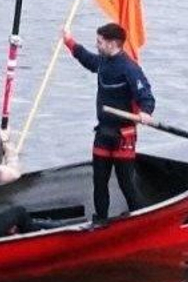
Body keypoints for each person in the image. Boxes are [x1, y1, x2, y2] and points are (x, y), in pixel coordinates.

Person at [64, 23, 157, 225]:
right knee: (99, 182)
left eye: (99, 42)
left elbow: (146, 97)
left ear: (112, 43)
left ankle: (141, 222)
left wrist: (146, 112)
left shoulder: (130, 68)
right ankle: (101, 222)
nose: (96, 45)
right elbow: (87, 59)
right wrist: (69, 42)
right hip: (103, 133)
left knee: (126, 183)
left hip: (124, 135)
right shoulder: (103, 62)